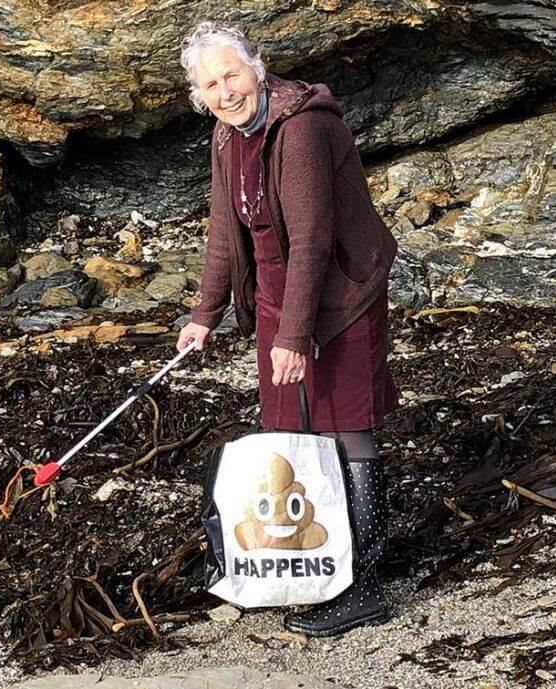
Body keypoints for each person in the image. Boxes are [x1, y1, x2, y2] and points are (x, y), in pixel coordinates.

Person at [174, 22, 399, 637]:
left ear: (258, 69)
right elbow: (225, 233)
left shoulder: (301, 127)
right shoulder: (226, 135)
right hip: (277, 288)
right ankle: (304, 565)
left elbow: (313, 240)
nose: (225, 92)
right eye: (210, 84)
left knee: (345, 422)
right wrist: (204, 317)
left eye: (232, 75)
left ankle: (363, 583)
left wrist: (294, 338)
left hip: (342, 286)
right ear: (201, 96)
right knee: (289, 425)